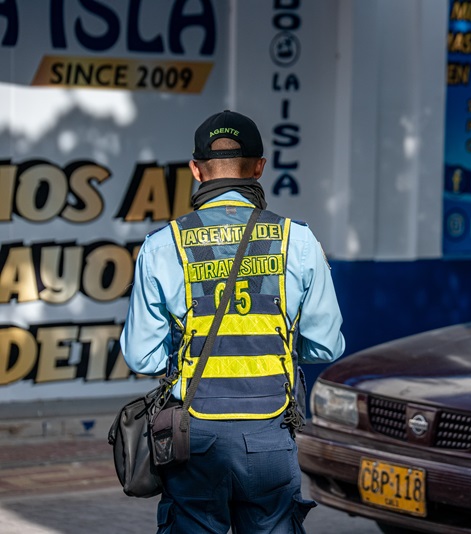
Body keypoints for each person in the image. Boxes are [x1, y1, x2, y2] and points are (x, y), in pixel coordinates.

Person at [120, 110, 346, 533]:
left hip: (194, 436)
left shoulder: (162, 245)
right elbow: (326, 346)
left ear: (195, 169)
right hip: (271, 432)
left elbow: (142, 356)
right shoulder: (297, 240)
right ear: (260, 167)